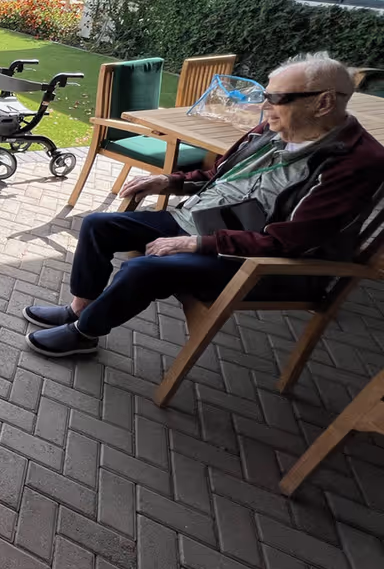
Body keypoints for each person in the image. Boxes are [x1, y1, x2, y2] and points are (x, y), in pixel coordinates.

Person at [24, 51, 384, 357]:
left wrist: (197, 243)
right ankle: (79, 309)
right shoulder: (271, 130)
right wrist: (171, 181)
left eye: (277, 98)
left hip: (259, 263)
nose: (264, 106)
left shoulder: (354, 162)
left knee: (143, 270)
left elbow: (290, 243)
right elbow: (219, 174)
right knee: (99, 225)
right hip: (207, 222)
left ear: (322, 103)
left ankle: (86, 333)